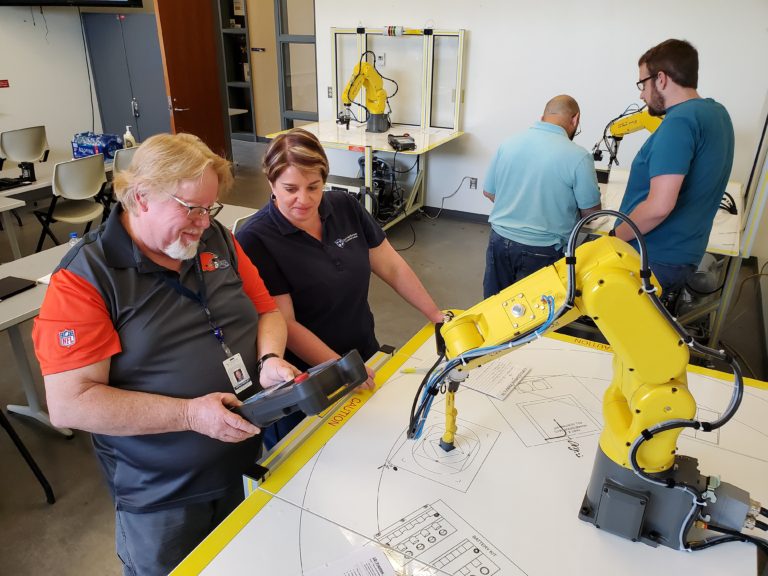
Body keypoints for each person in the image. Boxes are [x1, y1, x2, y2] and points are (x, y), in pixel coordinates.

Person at [32, 133, 299, 576]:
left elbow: (266, 310)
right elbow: (68, 404)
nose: (202, 223)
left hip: (243, 461)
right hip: (164, 497)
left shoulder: (216, 239)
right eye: (190, 208)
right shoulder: (86, 279)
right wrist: (192, 416)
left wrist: (269, 359)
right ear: (141, 197)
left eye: (208, 209)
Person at [236, 128, 444, 446]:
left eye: (313, 187)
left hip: (362, 353)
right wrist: (342, 370)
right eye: (290, 188)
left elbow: (392, 266)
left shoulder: (345, 207)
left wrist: (436, 316)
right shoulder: (256, 238)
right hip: (306, 381)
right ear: (270, 182)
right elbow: (285, 323)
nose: (303, 200)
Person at [613, 39, 734, 297]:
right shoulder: (717, 113)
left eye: (642, 84)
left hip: (652, 256)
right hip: (682, 253)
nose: (641, 95)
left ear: (661, 79)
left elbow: (659, 206)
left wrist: (615, 236)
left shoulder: (679, 122)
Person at [482, 95, 601, 298]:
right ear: (575, 119)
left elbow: (489, 191)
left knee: (495, 309)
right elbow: (591, 213)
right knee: (535, 316)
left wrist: (519, 206)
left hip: (499, 241)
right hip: (544, 249)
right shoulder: (579, 156)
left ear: (543, 117)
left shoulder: (508, 144)